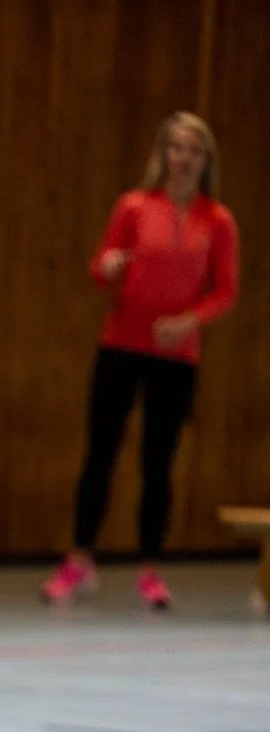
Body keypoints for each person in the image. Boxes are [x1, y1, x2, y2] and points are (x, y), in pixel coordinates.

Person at [42, 111, 240, 611]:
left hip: (176, 357)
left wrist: (188, 321)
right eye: (176, 147)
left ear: (206, 160)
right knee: (100, 453)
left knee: (158, 462)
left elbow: (225, 291)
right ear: (163, 154)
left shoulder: (218, 221)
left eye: (193, 149)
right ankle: (80, 559)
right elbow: (101, 266)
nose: (184, 158)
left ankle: (150, 568)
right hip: (120, 347)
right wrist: (107, 266)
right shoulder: (134, 207)